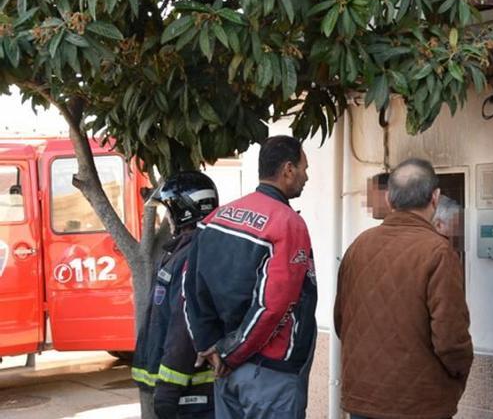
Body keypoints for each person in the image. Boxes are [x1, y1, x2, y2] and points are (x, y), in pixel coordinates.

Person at [183, 136, 316, 419]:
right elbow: (273, 307)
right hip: (269, 373)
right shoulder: (287, 223)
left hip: (225, 368)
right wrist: (233, 354)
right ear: (288, 169)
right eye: (304, 168)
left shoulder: (215, 219)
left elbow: (191, 288)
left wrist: (209, 346)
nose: (306, 176)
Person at [334, 158, 472, 419]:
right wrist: (459, 373)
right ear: (435, 197)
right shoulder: (438, 251)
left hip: (363, 397)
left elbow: (341, 320)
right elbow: (450, 337)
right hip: (418, 403)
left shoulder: (359, 245)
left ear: (389, 200)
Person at [131, 171, 219, 419]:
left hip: (192, 395)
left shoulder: (193, 256)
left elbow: (183, 328)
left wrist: (168, 389)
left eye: (169, 211)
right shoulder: (182, 251)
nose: (166, 218)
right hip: (187, 391)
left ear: (185, 210)